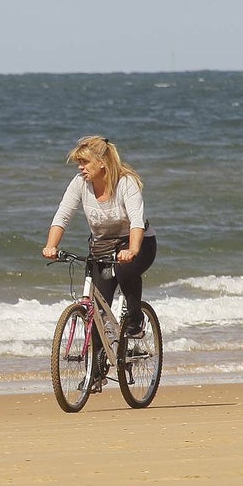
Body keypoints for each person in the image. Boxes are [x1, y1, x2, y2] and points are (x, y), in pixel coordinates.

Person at [41, 135, 157, 339]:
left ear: (102, 162)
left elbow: (136, 221)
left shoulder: (125, 183)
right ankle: (98, 359)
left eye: (85, 162)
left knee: (125, 270)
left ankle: (135, 319)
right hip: (103, 246)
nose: (80, 167)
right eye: (79, 162)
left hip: (138, 242)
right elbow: (63, 215)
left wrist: (132, 250)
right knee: (97, 313)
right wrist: (51, 245)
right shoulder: (80, 183)